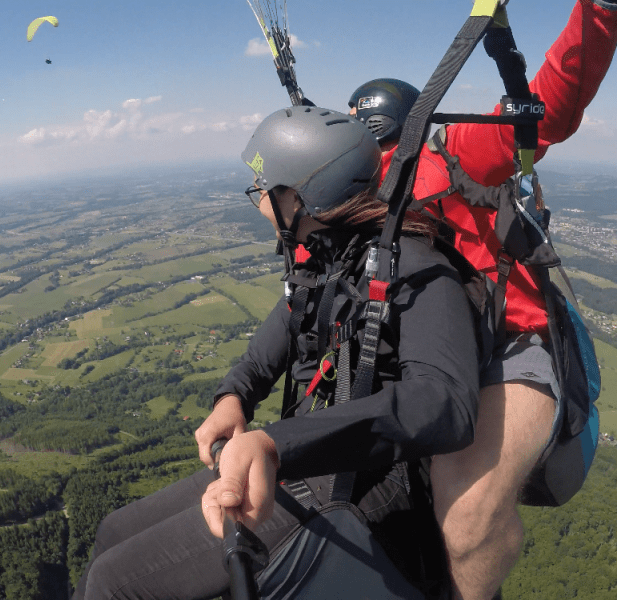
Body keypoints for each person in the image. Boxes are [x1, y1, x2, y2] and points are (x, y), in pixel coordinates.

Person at [72, 106, 483, 600]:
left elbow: (445, 403)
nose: (259, 198)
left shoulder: (418, 268)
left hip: (366, 483)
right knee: (113, 533)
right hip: (309, 458)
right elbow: (280, 336)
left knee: (113, 584)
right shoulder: (331, 258)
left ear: (301, 197)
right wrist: (235, 396)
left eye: (264, 188)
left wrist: (277, 444)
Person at [345, 3, 617, 599]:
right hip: (430, 351)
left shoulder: (453, 151)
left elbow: (544, 109)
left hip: (513, 344)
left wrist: (597, 16)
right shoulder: (350, 197)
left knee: (467, 519)